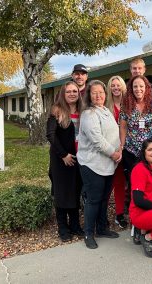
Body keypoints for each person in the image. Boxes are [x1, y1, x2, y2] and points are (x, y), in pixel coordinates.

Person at [120, 74, 152, 244]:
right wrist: (122, 146)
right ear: (131, 89)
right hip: (132, 152)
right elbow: (123, 128)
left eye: (141, 86)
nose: (138, 89)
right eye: (135, 87)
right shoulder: (127, 104)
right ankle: (137, 223)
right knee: (135, 189)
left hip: (151, 153)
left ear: (146, 87)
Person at [77, 80, 122, 249]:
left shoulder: (106, 111)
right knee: (94, 199)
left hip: (108, 163)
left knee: (104, 199)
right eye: (94, 93)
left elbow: (114, 133)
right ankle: (88, 233)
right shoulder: (89, 114)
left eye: (101, 92)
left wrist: (119, 150)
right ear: (88, 95)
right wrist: (114, 153)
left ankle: (102, 228)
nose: (98, 96)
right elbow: (97, 139)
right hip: (92, 164)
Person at [46, 81, 84, 242]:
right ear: (63, 93)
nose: (72, 94)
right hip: (61, 159)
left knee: (75, 191)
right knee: (62, 193)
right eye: (69, 91)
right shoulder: (57, 111)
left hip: (79, 157)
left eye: (75, 91)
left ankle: (75, 225)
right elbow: (51, 135)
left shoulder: (83, 111)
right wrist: (63, 155)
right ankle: (63, 227)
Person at [106, 75, 128, 228]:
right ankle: (102, 214)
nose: (115, 88)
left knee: (120, 183)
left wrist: (123, 147)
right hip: (108, 149)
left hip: (125, 149)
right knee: (107, 183)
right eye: (112, 85)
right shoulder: (105, 105)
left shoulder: (128, 104)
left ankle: (119, 214)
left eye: (118, 85)